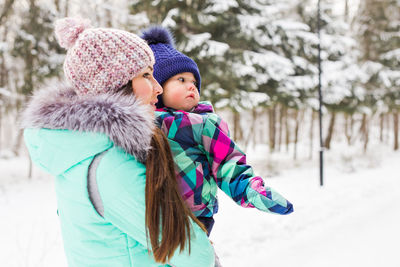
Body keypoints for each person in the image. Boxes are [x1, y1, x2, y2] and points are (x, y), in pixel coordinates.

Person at [21, 17, 215, 267]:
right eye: (146, 75)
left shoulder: (80, 148)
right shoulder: (110, 166)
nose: (157, 87)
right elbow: (194, 254)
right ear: (116, 84)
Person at [141, 27, 294, 236]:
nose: (191, 86)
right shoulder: (141, 121)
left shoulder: (205, 124)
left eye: (194, 81)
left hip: (194, 216)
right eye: (181, 80)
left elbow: (228, 165)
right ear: (158, 87)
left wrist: (252, 191)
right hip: (150, 214)